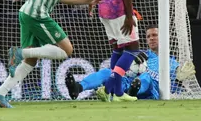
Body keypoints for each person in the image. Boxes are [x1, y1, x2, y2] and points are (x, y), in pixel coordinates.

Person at [65, 25, 196, 100]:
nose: (151, 39)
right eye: (148, 36)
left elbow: (176, 86)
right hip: (127, 83)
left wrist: (180, 77)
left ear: (163, 37)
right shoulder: (139, 54)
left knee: (146, 77)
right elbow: (121, 67)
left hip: (151, 92)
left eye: (154, 35)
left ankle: (132, 93)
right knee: (108, 72)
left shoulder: (172, 62)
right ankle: (78, 87)